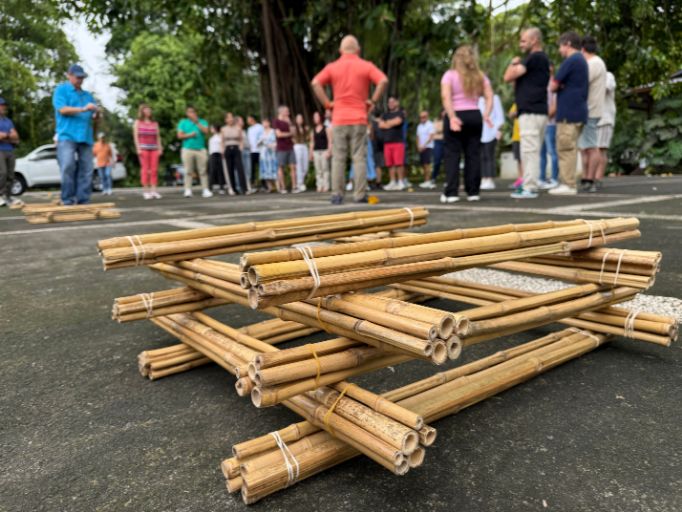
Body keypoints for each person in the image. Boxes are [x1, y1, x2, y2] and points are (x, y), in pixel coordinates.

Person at [311, 34, 388, 204]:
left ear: (340, 50)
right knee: (359, 157)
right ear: (358, 50)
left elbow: (316, 82)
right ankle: (359, 195)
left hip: (339, 118)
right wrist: (372, 101)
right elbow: (383, 80)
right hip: (359, 118)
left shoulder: (333, 67)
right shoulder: (366, 66)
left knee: (338, 157)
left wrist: (327, 104)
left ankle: (337, 195)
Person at [440, 45, 493, 203]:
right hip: (474, 115)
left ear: (456, 58)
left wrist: (452, 116)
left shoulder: (449, 75)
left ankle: (452, 193)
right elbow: (490, 96)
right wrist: (486, 114)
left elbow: (446, 97)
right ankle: (473, 192)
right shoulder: (480, 76)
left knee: (452, 154)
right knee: (473, 154)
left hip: (457, 115)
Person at [503, 27, 550, 199]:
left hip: (531, 111)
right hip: (538, 111)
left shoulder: (533, 58)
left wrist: (513, 63)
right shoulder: (542, 60)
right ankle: (529, 185)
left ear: (534, 40)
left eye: (523, 40)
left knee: (529, 151)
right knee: (531, 150)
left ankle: (529, 187)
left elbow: (508, 77)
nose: (520, 44)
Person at [52, 64, 99, 205]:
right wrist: (84, 109)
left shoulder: (88, 96)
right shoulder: (61, 90)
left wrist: (97, 114)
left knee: (87, 169)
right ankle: (67, 198)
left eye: (82, 77)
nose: (80, 80)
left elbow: (94, 118)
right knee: (67, 165)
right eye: (77, 77)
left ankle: (83, 199)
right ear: (69, 75)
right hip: (67, 135)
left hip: (85, 136)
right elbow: (62, 110)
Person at [549, 32, 589, 196]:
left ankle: (568, 184)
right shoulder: (581, 60)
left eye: (560, 46)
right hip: (578, 111)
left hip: (568, 113)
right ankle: (568, 183)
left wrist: (560, 85)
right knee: (570, 148)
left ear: (568, 44)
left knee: (565, 149)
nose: (559, 50)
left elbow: (553, 86)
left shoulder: (571, 60)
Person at [578, 35, 607, 191]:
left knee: (591, 146)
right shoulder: (597, 62)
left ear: (582, 49)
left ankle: (590, 179)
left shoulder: (593, 63)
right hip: (591, 109)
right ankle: (586, 178)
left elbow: (581, 82)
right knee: (586, 147)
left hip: (590, 109)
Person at [177, 106, 210, 198]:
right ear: (187, 113)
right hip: (187, 149)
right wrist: (190, 135)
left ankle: (205, 189)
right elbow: (179, 136)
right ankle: (188, 190)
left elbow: (206, 131)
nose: (191, 113)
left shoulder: (202, 121)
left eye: (193, 112)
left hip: (200, 149)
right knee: (188, 170)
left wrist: (197, 122)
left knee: (203, 170)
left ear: (196, 113)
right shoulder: (183, 122)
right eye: (189, 112)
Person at [133, 103, 163, 199]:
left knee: (154, 170)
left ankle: (154, 191)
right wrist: (138, 148)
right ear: (142, 111)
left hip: (154, 149)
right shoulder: (138, 122)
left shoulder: (155, 123)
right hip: (143, 148)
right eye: (146, 109)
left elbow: (158, 137)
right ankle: (146, 191)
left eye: (149, 109)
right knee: (145, 170)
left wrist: (160, 148)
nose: (148, 111)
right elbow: (136, 136)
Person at [593, 71, 617, 192]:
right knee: (594, 149)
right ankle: (592, 177)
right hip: (593, 119)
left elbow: (605, 89)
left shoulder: (608, 76)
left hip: (604, 118)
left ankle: (597, 178)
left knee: (600, 149)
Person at [379, 96, 407, 191]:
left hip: (398, 142)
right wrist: (390, 123)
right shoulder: (385, 114)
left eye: (392, 101)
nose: (390, 104)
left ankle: (400, 182)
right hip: (387, 143)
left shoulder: (401, 113)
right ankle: (392, 182)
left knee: (399, 163)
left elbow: (398, 121)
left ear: (397, 102)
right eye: (389, 102)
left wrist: (386, 123)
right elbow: (380, 125)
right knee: (390, 164)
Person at [478, 92, 504, 190]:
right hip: (479, 132)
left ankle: (489, 179)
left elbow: (500, 117)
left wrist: (497, 129)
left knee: (489, 156)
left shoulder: (495, 98)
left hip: (491, 132)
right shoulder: (478, 99)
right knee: (481, 156)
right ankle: (483, 178)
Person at [539, 66, 559, 190]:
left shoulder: (553, 83)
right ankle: (541, 178)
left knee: (552, 152)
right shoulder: (541, 83)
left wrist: (544, 117)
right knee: (541, 153)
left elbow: (554, 106)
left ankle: (554, 178)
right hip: (542, 123)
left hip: (551, 123)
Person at [0, 98, 21, 207]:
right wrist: (9, 136)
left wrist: (6, 136)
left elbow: (16, 137)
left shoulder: (8, 121)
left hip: (10, 149)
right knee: (2, 173)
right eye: (2, 105)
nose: (4, 107)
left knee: (10, 174)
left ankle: (7, 196)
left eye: (4, 105)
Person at [221, 112, 249, 194]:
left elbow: (241, 139)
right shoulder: (223, 129)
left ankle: (244, 188)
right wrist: (222, 150)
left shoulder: (238, 128)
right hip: (227, 148)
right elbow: (222, 141)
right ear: (226, 120)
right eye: (228, 118)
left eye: (231, 117)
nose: (230, 119)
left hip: (236, 148)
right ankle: (233, 189)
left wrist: (241, 147)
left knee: (240, 168)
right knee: (230, 169)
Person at [273, 105, 296, 194]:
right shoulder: (276, 121)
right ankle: (283, 187)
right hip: (281, 148)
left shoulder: (288, 122)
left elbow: (294, 132)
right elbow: (279, 135)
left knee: (293, 167)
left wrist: (289, 123)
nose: (288, 113)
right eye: (287, 111)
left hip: (290, 146)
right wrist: (289, 134)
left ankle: (294, 187)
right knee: (280, 167)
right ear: (281, 112)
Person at [310, 111, 331, 192]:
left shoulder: (326, 128)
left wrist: (329, 151)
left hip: (324, 150)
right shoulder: (313, 130)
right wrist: (311, 153)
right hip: (316, 151)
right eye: (314, 117)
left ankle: (326, 186)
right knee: (318, 170)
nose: (315, 118)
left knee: (325, 169)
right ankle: (319, 185)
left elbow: (330, 141)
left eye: (317, 116)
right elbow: (312, 142)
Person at [257, 118, 278, 192]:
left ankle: (278, 186)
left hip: (272, 153)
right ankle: (270, 187)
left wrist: (272, 145)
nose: (264, 124)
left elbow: (276, 141)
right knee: (265, 169)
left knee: (274, 168)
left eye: (265, 122)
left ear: (269, 123)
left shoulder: (273, 131)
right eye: (263, 123)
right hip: (264, 153)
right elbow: (257, 144)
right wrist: (260, 142)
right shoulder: (261, 133)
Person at [208, 124, 230, 195]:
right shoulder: (211, 138)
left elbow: (223, 145)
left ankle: (221, 188)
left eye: (212, 128)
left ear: (215, 129)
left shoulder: (220, 137)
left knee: (220, 171)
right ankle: (209, 188)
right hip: (212, 155)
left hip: (220, 154)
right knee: (212, 171)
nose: (211, 130)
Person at [417, 111, 436, 189]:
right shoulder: (419, 126)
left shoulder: (430, 125)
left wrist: (423, 145)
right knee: (423, 164)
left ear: (427, 116)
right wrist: (418, 146)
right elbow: (418, 137)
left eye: (424, 116)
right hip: (421, 148)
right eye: (421, 117)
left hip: (428, 147)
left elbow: (431, 137)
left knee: (427, 164)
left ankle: (428, 181)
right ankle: (426, 181)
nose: (422, 118)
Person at [293, 114, 310, 193]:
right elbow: (291, 138)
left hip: (304, 146)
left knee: (305, 166)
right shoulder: (293, 128)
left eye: (301, 118)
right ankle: (299, 183)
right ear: (296, 120)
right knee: (299, 165)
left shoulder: (305, 128)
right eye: (298, 118)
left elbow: (308, 138)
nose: (300, 120)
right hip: (297, 146)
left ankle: (301, 181)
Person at [246, 116, 264, 190]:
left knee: (261, 167)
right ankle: (253, 184)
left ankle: (264, 184)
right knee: (252, 168)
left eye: (248, 120)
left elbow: (262, 136)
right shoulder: (249, 129)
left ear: (252, 119)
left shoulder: (260, 127)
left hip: (259, 150)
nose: (247, 121)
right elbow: (248, 139)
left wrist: (258, 142)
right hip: (252, 151)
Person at [508, 103, 523, 189]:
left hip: (524, 136)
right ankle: (520, 178)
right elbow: (510, 114)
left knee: (525, 159)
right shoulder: (517, 103)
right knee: (518, 159)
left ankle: (525, 179)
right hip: (516, 136)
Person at [238, 116, 255, 193]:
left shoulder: (244, 131)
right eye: (241, 121)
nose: (243, 122)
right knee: (242, 170)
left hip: (247, 151)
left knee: (248, 170)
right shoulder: (236, 131)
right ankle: (241, 186)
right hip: (241, 151)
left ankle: (248, 186)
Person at [431, 110, 445, 187]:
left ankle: (448, 179)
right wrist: (443, 129)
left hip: (447, 142)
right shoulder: (436, 120)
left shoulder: (450, 119)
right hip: (438, 142)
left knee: (448, 162)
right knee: (437, 161)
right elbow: (435, 130)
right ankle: (433, 178)